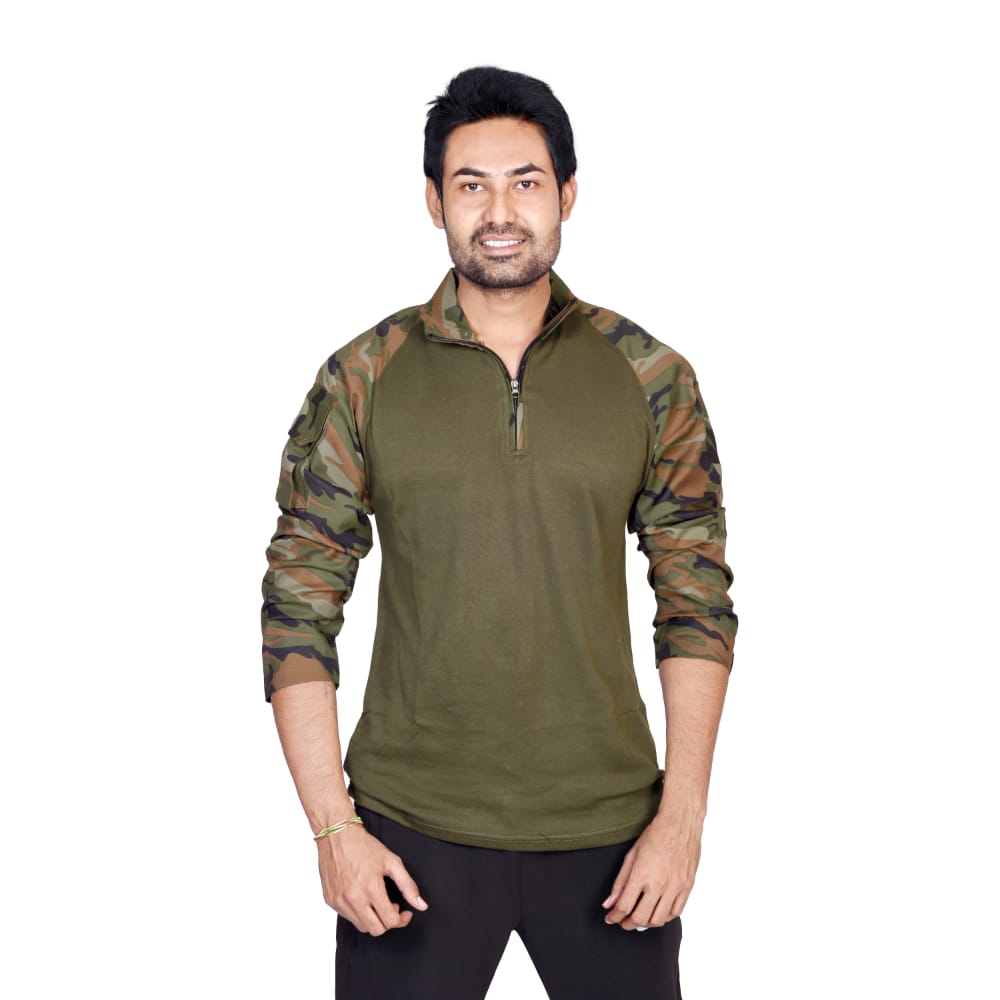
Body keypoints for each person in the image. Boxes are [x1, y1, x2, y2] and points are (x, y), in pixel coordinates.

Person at [261, 65, 737, 1000]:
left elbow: (696, 600)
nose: (500, 211)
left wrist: (682, 818)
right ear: (433, 201)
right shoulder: (364, 374)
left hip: (612, 832)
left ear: (567, 194)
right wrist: (334, 830)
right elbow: (297, 605)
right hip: (407, 836)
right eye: (471, 184)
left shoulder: (651, 376)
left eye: (525, 181)